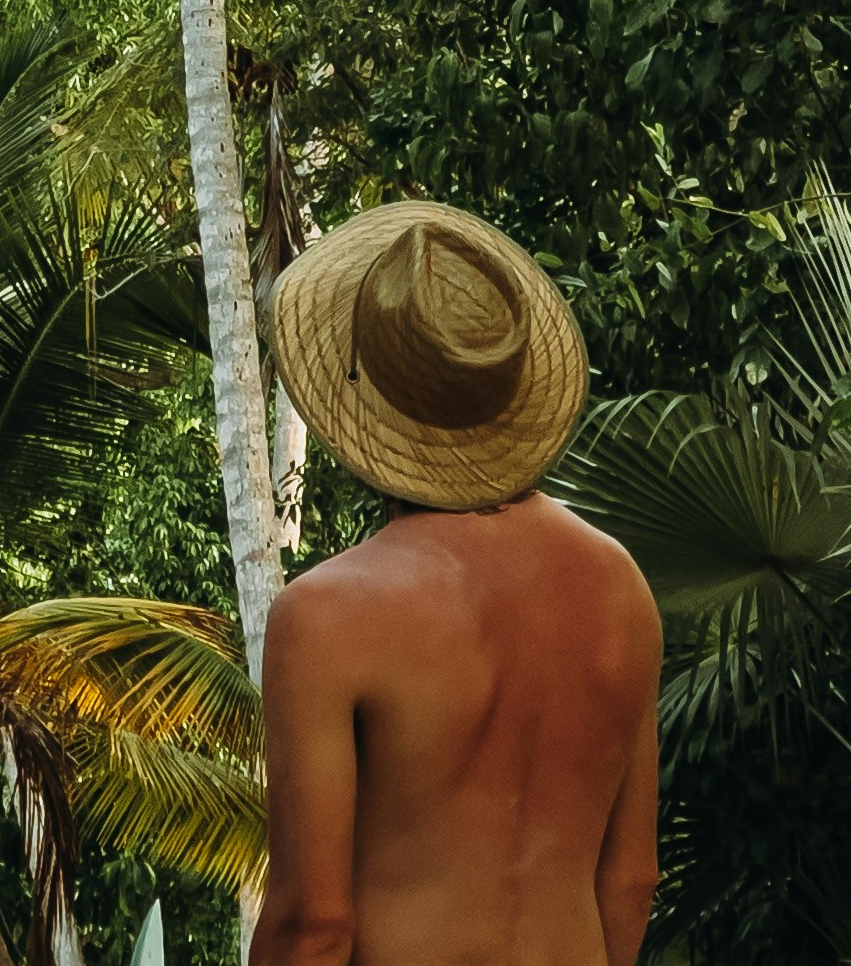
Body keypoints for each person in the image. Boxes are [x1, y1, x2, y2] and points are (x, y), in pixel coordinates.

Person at [251, 198, 663, 966]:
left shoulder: (328, 618)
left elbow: (314, 926)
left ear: (364, 394)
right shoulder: (620, 587)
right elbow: (632, 879)